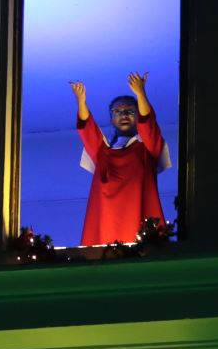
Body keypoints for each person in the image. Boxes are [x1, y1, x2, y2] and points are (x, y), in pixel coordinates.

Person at [72, 73, 171, 247]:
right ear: (111, 119)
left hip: (140, 229)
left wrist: (141, 94)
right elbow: (88, 132)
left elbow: (149, 126)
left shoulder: (147, 149)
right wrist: (81, 102)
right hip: (105, 232)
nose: (123, 115)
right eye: (117, 112)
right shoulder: (102, 153)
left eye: (129, 111)